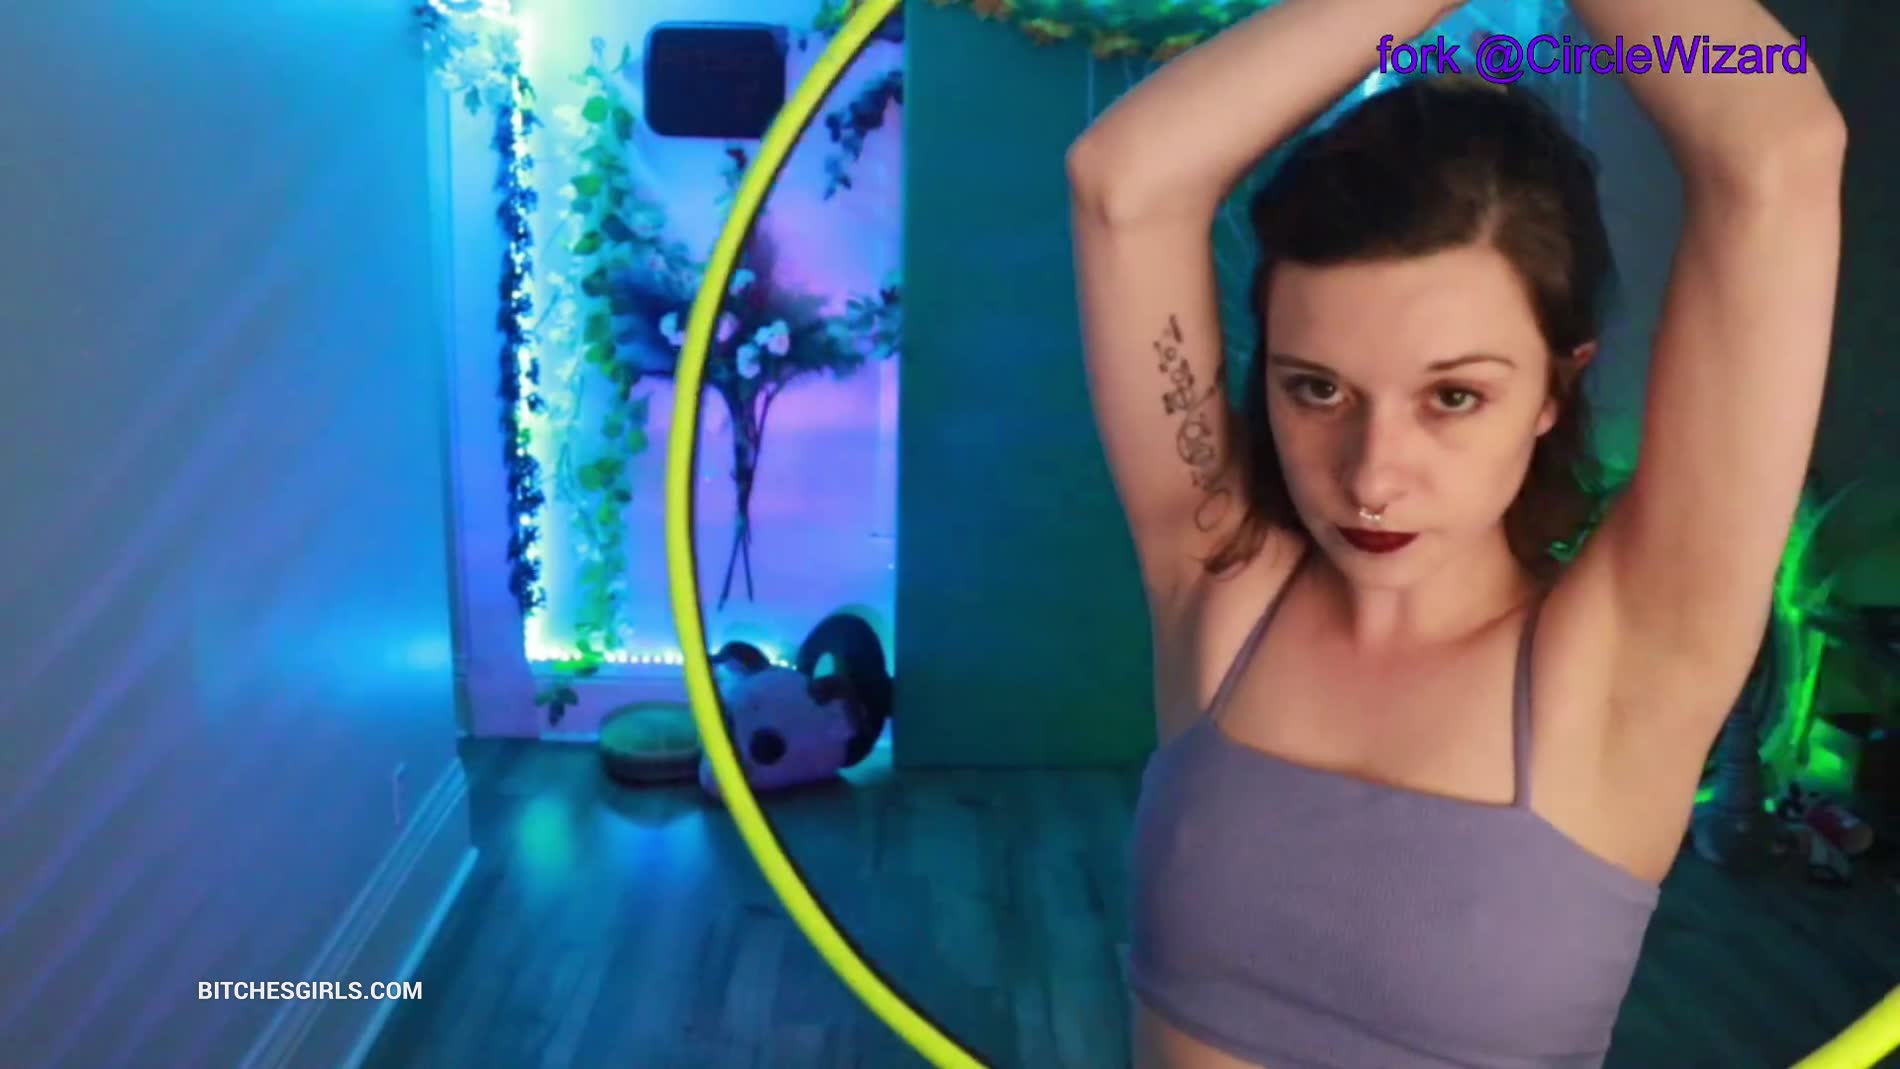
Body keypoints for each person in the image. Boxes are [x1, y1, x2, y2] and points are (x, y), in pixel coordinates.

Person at [1064, 0, 1845, 1066]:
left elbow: (1779, 150)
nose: (1371, 476)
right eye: (1317, 388)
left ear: (1553, 390)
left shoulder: (1624, 665)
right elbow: (1124, 184)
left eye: (1453, 397)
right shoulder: (1221, 579)